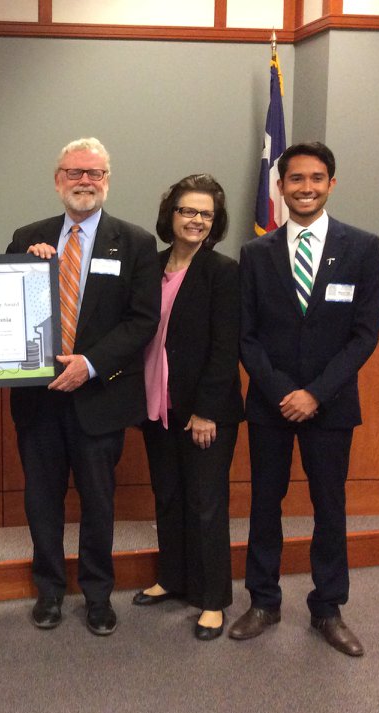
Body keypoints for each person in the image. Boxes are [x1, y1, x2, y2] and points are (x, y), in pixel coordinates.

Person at [231, 142, 379, 656]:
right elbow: (246, 337)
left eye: (317, 178)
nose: (306, 188)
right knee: (264, 505)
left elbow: (364, 336)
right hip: (270, 405)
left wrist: (315, 394)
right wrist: (282, 392)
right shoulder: (254, 254)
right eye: (295, 179)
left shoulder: (362, 247)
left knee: (330, 507)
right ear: (281, 187)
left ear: (332, 184)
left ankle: (328, 608)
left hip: (331, 404)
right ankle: (263, 601)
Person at [8, 138, 160, 636]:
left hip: (101, 396)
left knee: (99, 500)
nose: (84, 181)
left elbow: (142, 321)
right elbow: (11, 309)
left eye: (94, 173)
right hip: (39, 399)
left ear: (107, 180)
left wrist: (90, 363)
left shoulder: (134, 243)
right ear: (58, 179)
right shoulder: (27, 237)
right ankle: (49, 590)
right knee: (42, 498)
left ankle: (98, 594)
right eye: (74, 172)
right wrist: (28, 269)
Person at [131, 174, 243, 640]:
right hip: (158, 407)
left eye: (206, 214)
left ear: (214, 224)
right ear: (170, 215)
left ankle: (213, 599)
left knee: (205, 504)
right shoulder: (151, 266)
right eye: (187, 211)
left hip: (203, 412)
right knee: (170, 497)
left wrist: (208, 410)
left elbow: (225, 347)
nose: (196, 220)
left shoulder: (223, 271)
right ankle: (173, 578)